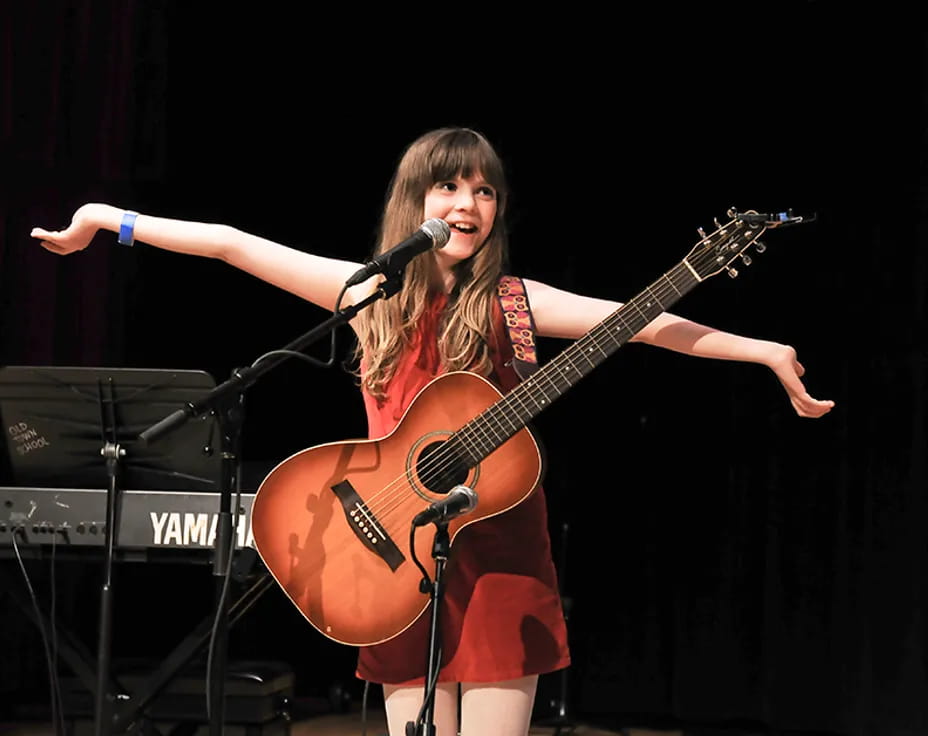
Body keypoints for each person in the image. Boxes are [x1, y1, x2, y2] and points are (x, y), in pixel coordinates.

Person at [31, 126, 834, 736]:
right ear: (414, 202)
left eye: (484, 191)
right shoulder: (368, 295)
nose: (467, 204)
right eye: (448, 186)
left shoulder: (514, 301)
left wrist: (763, 351)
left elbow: (644, 323)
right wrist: (106, 219)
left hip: (500, 560)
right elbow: (231, 246)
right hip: (392, 556)